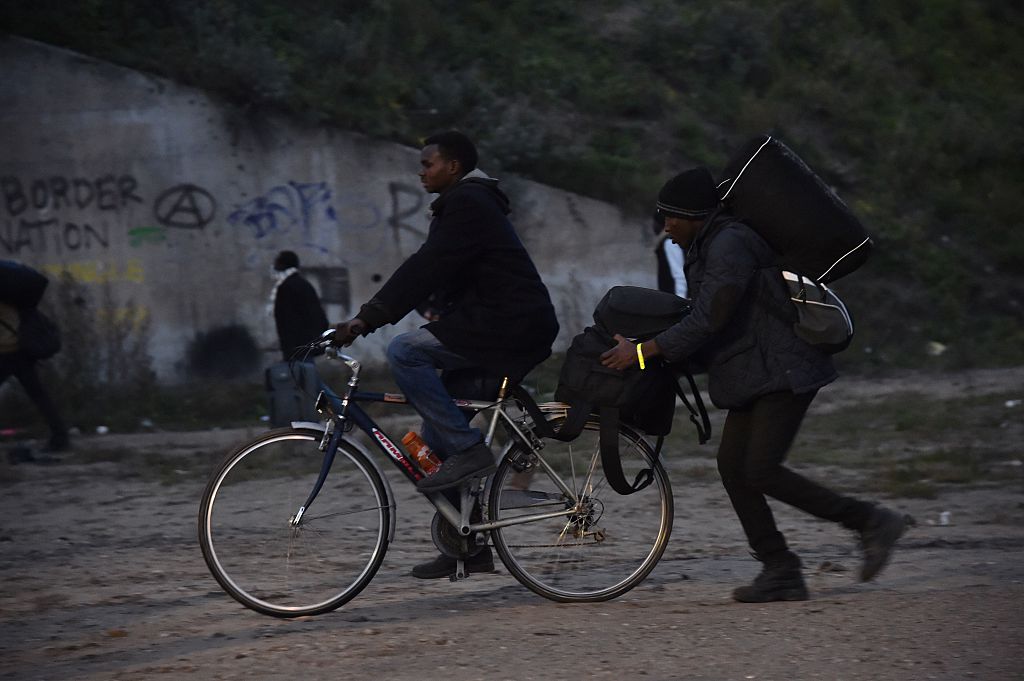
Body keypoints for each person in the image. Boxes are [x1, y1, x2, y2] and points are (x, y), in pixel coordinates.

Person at [600, 167, 905, 602]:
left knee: (760, 469)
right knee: (734, 468)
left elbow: (709, 318)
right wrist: (653, 347)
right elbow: (704, 319)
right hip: (755, 371)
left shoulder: (730, 245)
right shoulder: (708, 245)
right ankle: (780, 569)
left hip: (783, 368)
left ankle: (871, 521)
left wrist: (646, 351)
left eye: (671, 217)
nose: (665, 227)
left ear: (694, 214)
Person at [332, 130, 559, 579]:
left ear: (452, 166)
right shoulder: (465, 205)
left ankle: (470, 449)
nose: (421, 172)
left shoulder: (469, 203)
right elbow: (442, 271)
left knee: (405, 351)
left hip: (508, 328)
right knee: (430, 448)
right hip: (491, 326)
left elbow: (426, 265)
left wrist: (368, 318)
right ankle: (466, 548)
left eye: (428, 164)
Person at [0, 261, 70, 453]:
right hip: (22, 353)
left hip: (6, 354)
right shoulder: (16, 301)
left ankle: (60, 437)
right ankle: (60, 437)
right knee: (39, 396)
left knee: (39, 395)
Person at [269, 250, 329, 361]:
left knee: (303, 373)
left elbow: (287, 319)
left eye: (277, 262)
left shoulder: (287, 286)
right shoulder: (302, 284)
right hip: (305, 343)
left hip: (297, 344)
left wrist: (288, 345)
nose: (274, 265)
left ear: (283, 264)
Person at [653, 211, 687, 298]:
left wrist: (680, 301)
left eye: (655, 222)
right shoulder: (665, 241)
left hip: (675, 299)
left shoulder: (669, 242)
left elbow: (679, 276)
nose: (653, 226)